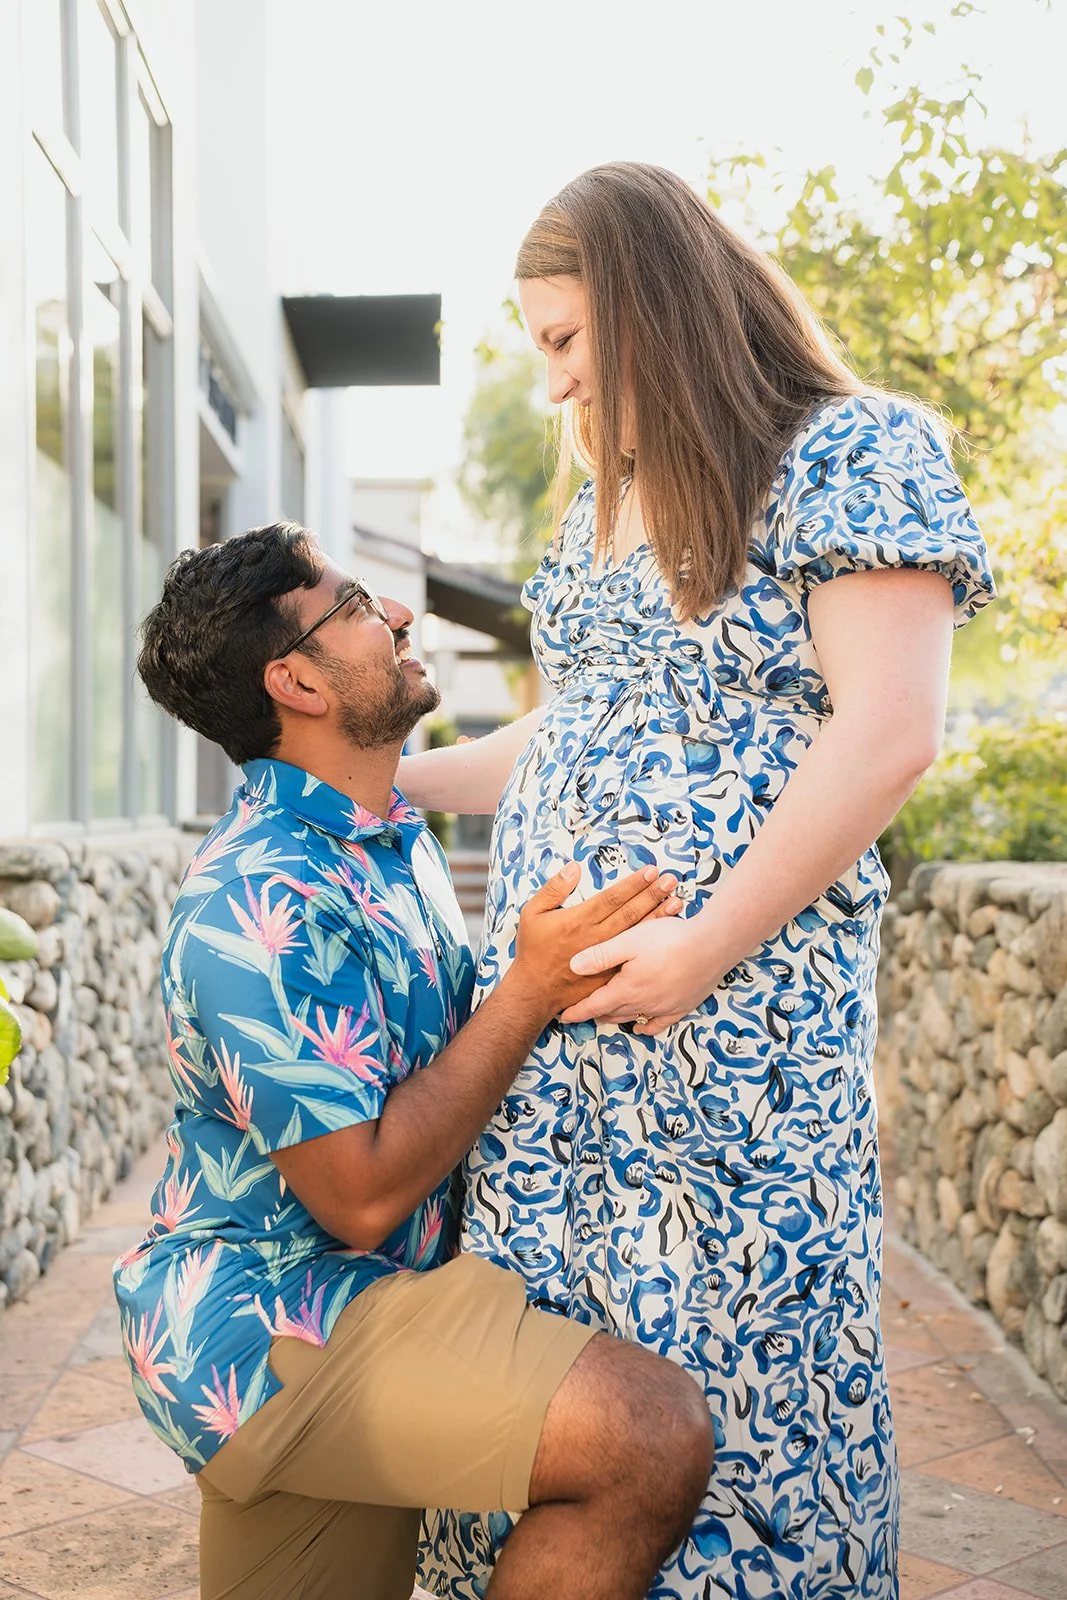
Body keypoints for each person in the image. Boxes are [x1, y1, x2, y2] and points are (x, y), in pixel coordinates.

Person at [403, 164, 996, 1600]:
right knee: (568, 1377)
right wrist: (372, 781)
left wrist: (703, 948)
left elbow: (888, 730)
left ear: (653, 301)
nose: (548, 384)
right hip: (562, 1058)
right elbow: (579, 729)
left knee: (742, 1369)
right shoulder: (609, 498)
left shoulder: (853, 451)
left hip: (729, 1029)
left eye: (562, 339)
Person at [113, 522, 716, 1600]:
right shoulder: (257, 902)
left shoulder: (383, 841)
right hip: (276, 1327)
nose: (394, 615)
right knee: (647, 1433)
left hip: (346, 1307)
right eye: (353, 606)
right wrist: (528, 990)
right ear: (295, 679)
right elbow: (360, 1193)